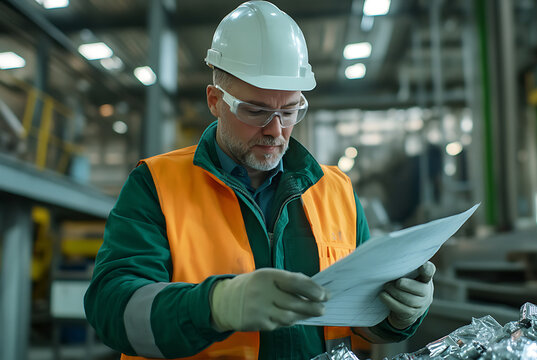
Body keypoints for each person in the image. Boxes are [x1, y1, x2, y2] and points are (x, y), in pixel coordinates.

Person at [84, 1, 435, 359]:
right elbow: (112, 308)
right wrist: (215, 305)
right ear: (215, 100)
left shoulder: (336, 191)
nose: (275, 130)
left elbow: (355, 318)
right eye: (256, 111)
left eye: (290, 111)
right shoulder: (156, 185)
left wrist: (397, 313)